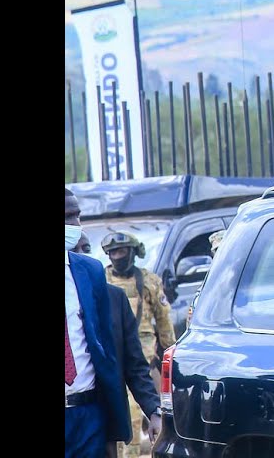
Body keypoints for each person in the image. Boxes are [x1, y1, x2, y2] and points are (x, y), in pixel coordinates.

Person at [66, 188, 132, 458]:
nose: (75, 226)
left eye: (76, 216)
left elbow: (105, 349)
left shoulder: (89, 272)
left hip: (88, 414)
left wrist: (113, 427)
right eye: (67, 217)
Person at [102, 231, 176, 458]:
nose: (117, 256)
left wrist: (171, 352)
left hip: (143, 358)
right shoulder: (100, 280)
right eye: (113, 252)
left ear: (133, 253)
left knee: (141, 412)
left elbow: (164, 321)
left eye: (122, 251)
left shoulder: (149, 281)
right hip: (111, 357)